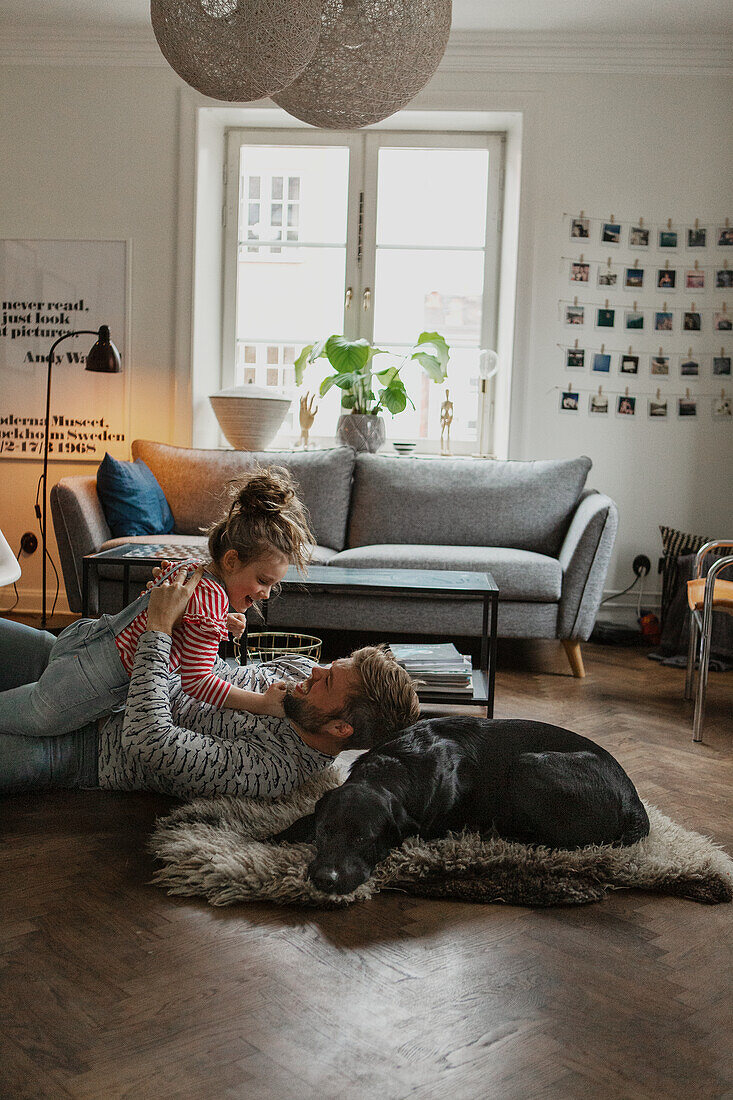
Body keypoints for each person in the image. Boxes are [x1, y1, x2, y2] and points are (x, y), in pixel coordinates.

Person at [0, 570, 421, 798]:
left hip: (81, 747)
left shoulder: (273, 771)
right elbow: (207, 673)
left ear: (339, 729)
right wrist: (195, 614)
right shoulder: (297, 683)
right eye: (329, 665)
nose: (311, 670)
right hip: (92, 668)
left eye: (327, 681)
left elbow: (149, 739)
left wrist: (160, 629)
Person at [0, 465, 314, 740]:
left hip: (88, 637)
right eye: (263, 581)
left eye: (273, 585)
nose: (266, 593)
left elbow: (178, 616)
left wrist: (222, 620)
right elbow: (198, 682)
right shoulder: (211, 601)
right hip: (98, 677)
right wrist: (261, 702)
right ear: (231, 560)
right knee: (30, 717)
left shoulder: (194, 567)